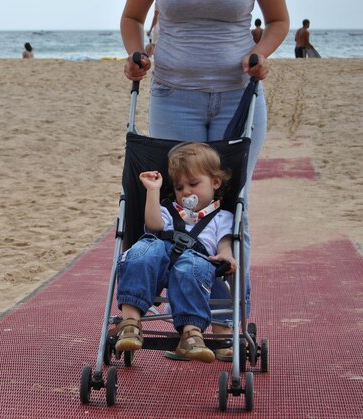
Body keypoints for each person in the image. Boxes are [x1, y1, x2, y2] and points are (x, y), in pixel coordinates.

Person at [120, 0, 289, 360]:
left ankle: (225, 327)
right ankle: (188, 326)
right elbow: (133, 17)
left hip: (239, 95)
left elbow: (277, 20)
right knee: (179, 203)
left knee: (232, 208)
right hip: (173, 95)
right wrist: (136, 55)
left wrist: (260, 53)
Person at [115, 142, 237, 363]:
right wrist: (153, 191)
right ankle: (130, 324)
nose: (186, 192)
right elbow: (153, 226)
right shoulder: (169, 208)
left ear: (215, 182)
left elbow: (224, 242)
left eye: (193, 184)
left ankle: (191, 334)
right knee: (140, 252)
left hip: (196, 258)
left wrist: (226, 256)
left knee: (192, 268)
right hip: (160, 251)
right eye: (180, 188)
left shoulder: (222, 217)